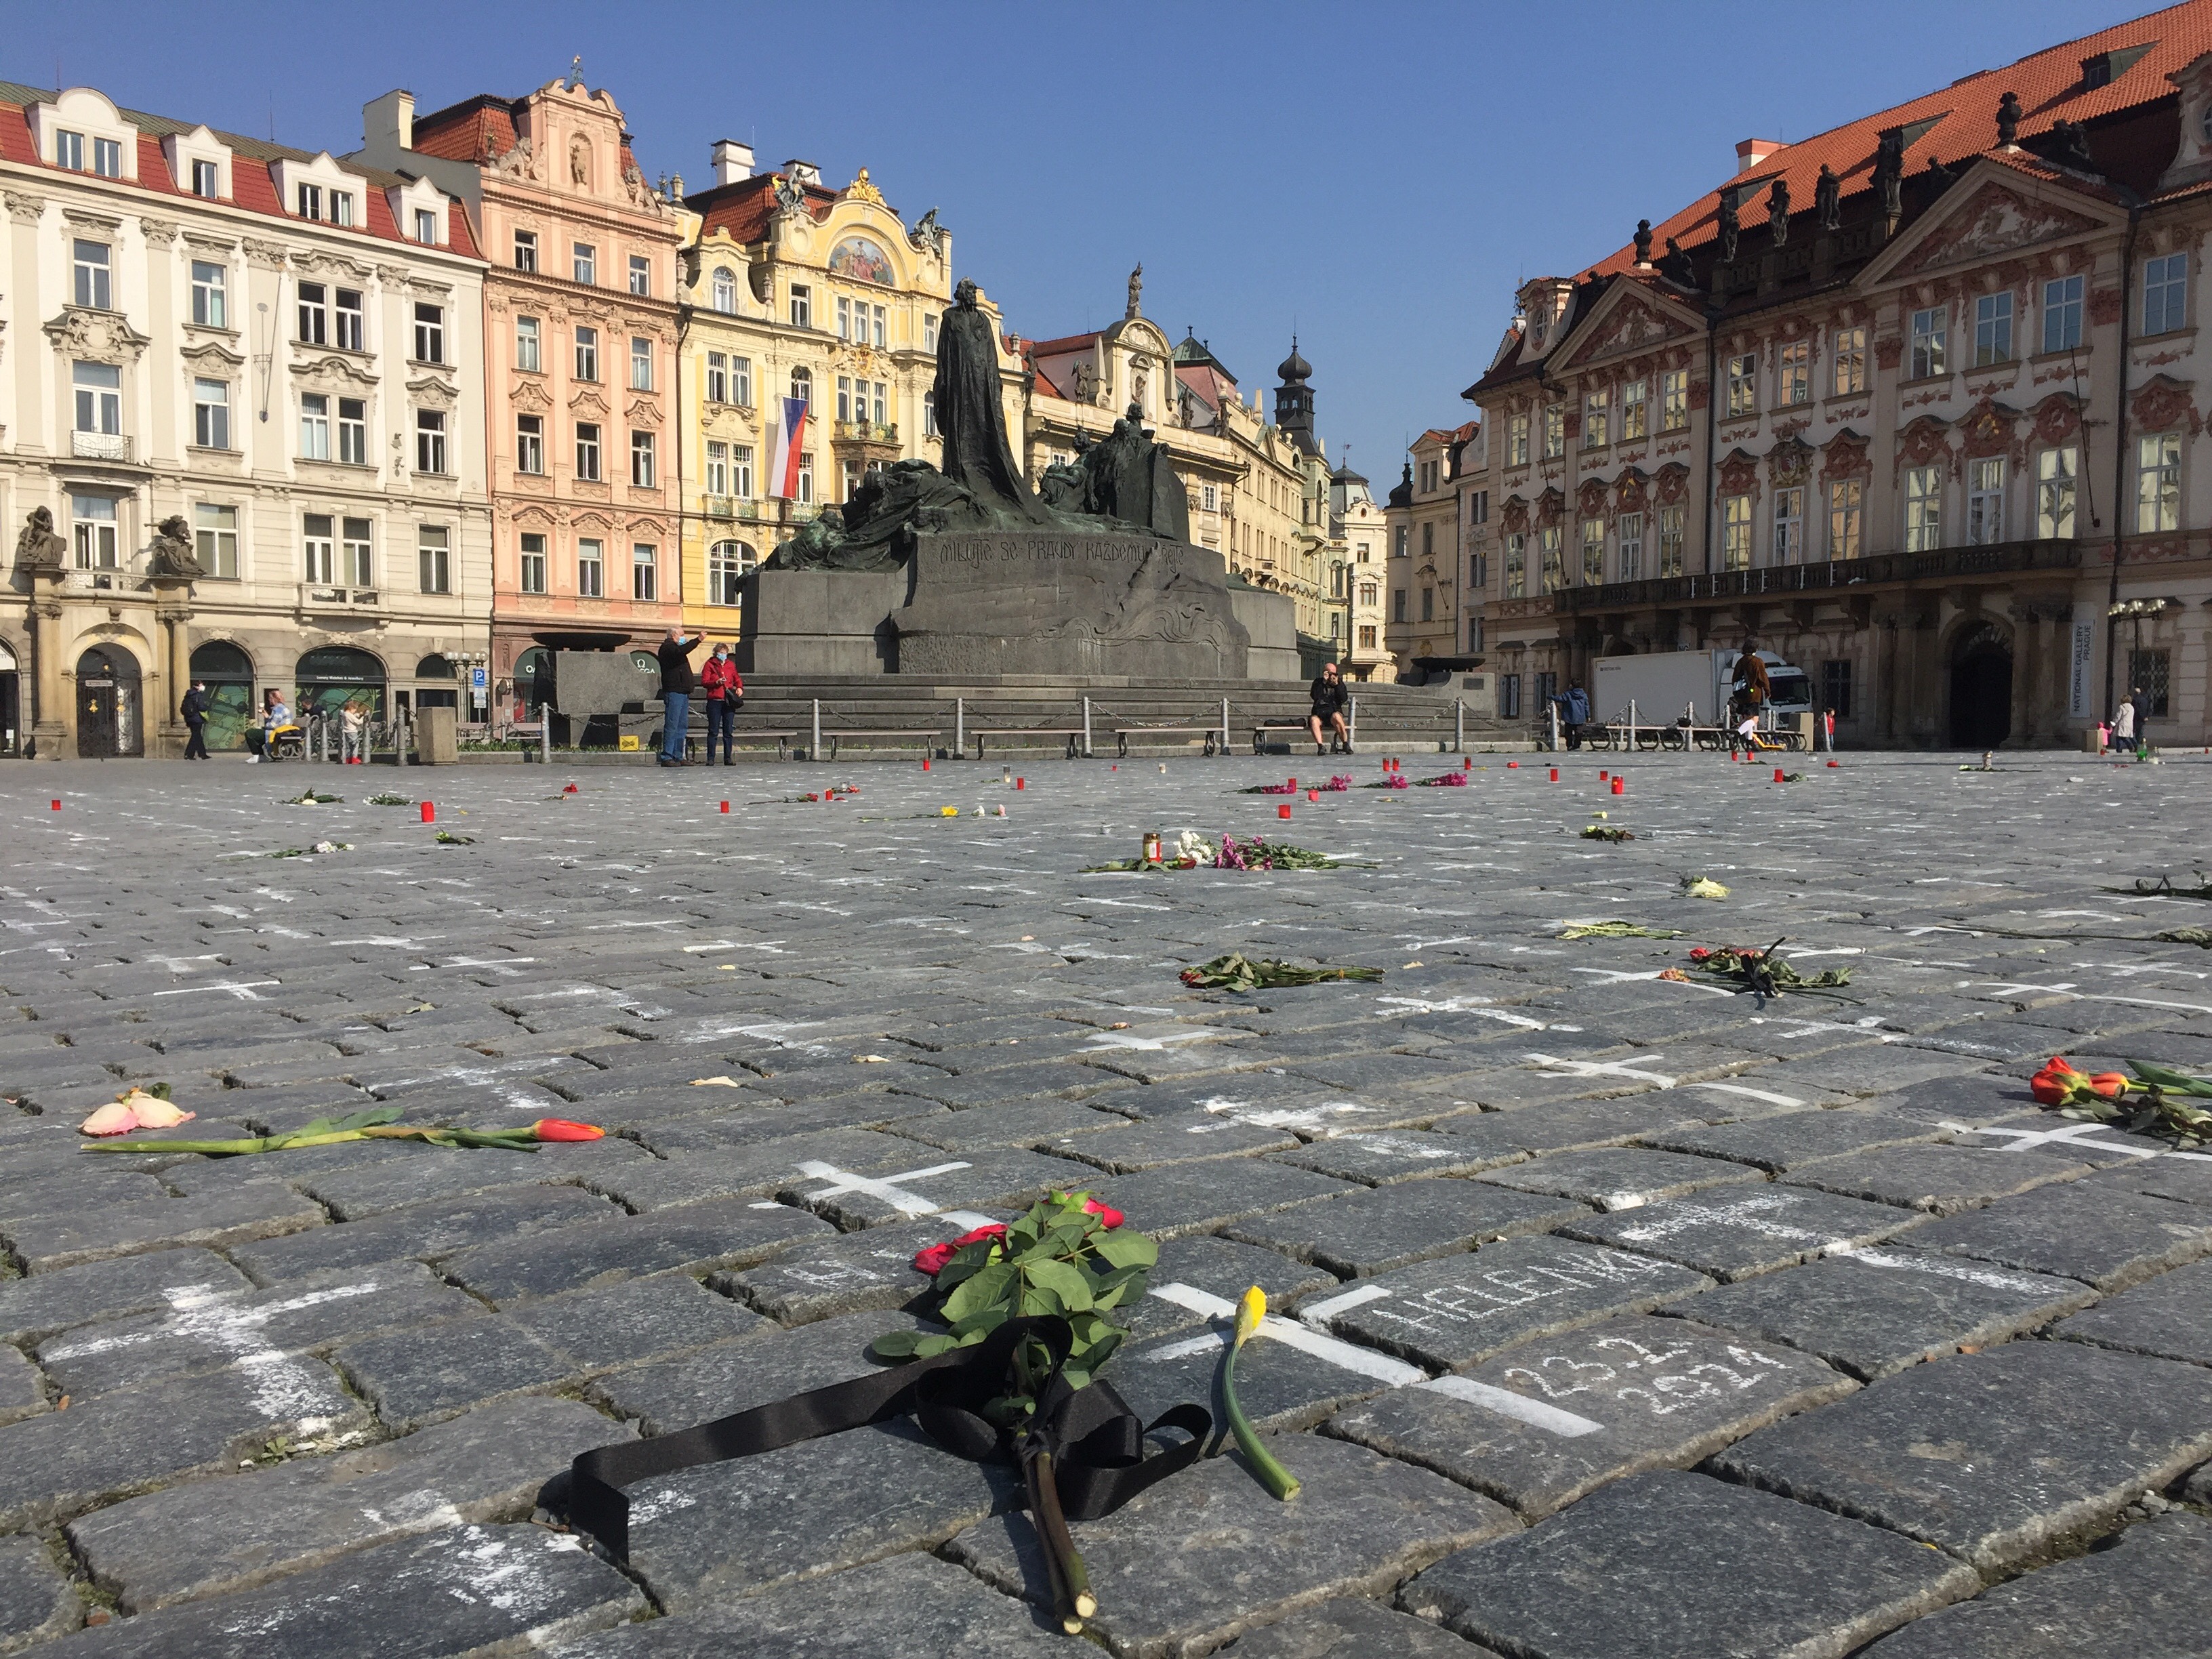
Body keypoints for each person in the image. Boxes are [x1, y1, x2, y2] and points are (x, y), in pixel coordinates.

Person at [655, 626, 702, 767]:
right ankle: (667, 756)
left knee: (682, 726)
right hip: (674, 691)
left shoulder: (676, 650)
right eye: (682, 634)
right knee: (672, 725)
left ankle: (678, 755)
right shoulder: (668, 648)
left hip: (682, 692)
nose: (684, 637)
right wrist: (698, 640)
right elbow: (682, 650)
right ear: (674, 635)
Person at [699, 644, 741, 765]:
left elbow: (736, 678)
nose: (723, 655)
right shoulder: (710, 664)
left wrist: (739, 687)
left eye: (725, 652)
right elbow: (705, 682)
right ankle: (711, 758)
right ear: (716, 653)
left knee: (728, 730)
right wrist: (716, 682)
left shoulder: (730, 665)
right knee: (713, 730)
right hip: (715, 700)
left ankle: (728, 758)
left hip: (728, 701)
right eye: (721, 652)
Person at [1307, 661, 1351, 754]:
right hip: (1320, 713)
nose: (1332, 676)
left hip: (1333, 712)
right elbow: (1315, 696)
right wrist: (1324, 682)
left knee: (1337, 717)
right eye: (1329, 673)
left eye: (1334, 673)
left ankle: (1345, 744)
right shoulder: (1318, 682)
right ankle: (1320, 746)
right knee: (1314, 720)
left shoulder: (1339, 683)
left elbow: (1343, 699)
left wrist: (1337, 686)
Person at [1552, 681, 1591, 750]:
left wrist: (1551, 697)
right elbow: (1586, 706)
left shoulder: (1568, 694)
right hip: (1580, 717)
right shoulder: (1583, 695)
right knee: (1579, 733)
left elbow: (1560, 699)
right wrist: (1588, 715)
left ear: (1571, 686)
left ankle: (1570, 745)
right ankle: (1577, 746)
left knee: (1568, 733)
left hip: (1569, 717)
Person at [180, 680, 209, 760]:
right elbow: (201, 707)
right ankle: (189, 754)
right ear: (197, 686)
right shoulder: (197, 695)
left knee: (197, 736)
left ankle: (202, 754)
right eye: (201, 685)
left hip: (189, 718)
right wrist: (207, 707)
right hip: (197, 718)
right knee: (195, 736)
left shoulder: (188, 695)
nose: (203, 686)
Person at [340, 701, 366, 765]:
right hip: (352, 732)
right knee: (355, 744)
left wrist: (358, 714)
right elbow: (357, 722)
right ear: (351, 708)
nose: (355, 711)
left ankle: (348, 759)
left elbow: (353, 716)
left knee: (349, 746)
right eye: (355, 709)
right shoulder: (349, 715)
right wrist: (363, 718)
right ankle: (355, 758)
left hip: (346, 732)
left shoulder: (344, 713)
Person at [2112, 691, 2137, 756]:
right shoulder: (2132, 707)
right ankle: (2130, 747)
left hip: (2122, 724)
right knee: (2125, 736)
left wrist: (2114, 722)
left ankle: (2120, 749)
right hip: (2129, 724)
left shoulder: (2122, 707)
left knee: (2120, 737)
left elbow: (2118, 716)